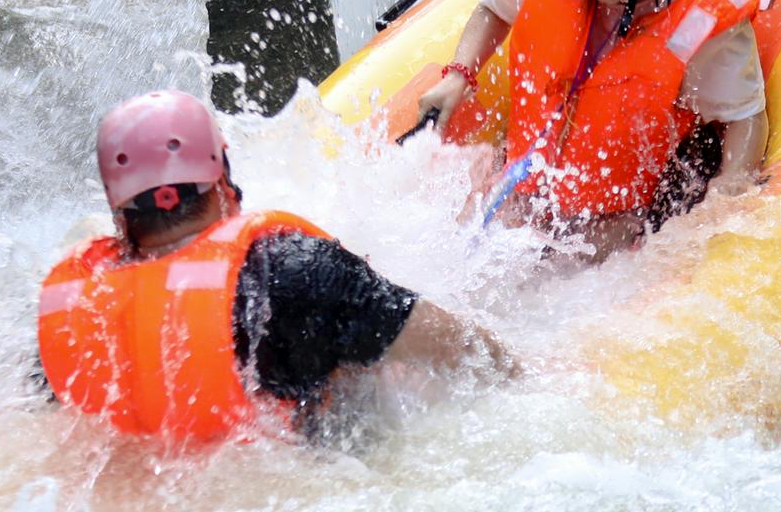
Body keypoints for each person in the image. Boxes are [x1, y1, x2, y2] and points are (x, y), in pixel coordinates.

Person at [38, 89, 514, 444]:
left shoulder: (70, 310)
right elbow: (470, 354)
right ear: (223, 179)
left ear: (119, 215)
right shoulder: (294, 276)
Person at [415, 0, 768, 259]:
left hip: (620, 218)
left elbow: (746, 116)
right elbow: (495, 8)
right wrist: (459, 76)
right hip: (523, 181)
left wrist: (730, 187)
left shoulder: (706, 21)